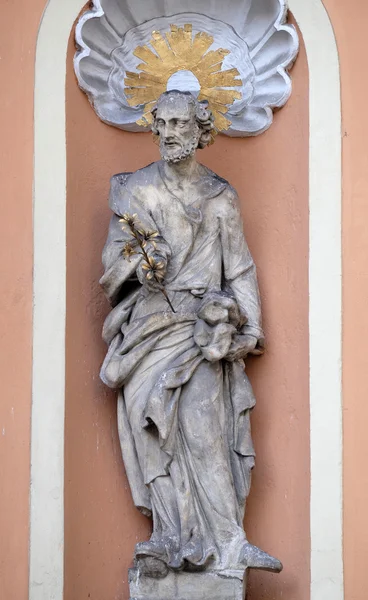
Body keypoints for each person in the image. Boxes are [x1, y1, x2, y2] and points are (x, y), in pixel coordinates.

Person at [100, 90, 281, 578]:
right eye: (163, 123)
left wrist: (252, 329)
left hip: (201, 326)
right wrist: (141, 261)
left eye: (181, 124)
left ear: (202, 131)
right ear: (153, 126)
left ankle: (230, 542)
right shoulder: (134, 190)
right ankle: (167, 535)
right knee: (151, 429)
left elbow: (239, 269)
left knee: (204, 429)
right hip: (148, 328)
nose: (170, 132)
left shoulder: (220, 196)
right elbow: (111, 263)